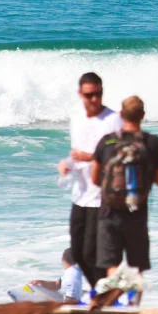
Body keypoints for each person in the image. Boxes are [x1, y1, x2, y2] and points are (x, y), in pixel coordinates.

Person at [91, 96, 158, 282]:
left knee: (112, 266)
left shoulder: (107, 142)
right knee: (135, 267)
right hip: (137, 211)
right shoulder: (152, 143)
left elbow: (95, 179)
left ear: (121, 115)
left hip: (109, 212)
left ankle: (115, 304)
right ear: (143, 115)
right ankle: (132, 305)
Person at [57, 72, 122, 290]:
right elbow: (76, 154)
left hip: (103, 197)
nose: (95, 99)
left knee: (92, 252)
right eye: (89, 95)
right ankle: (102, 291)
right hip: (80, 194)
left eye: (98, 94)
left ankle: (105, 293)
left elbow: (117, 157)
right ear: (80, 94)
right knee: (77, 251)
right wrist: (66, 164)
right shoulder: (76, 119)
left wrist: (88, 157)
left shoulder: (113, 119)